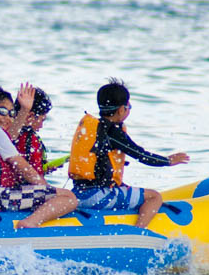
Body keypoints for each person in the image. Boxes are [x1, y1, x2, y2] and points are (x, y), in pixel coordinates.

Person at [69, 78, 189, 228]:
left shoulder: (93, 129)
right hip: (98, 196)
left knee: (129, 190)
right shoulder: (112, 132)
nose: (128, 110)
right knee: (154, 196)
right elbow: (141, 155)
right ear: (121, 110)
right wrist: (167, 161)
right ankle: (138, 232)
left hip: (78, 194)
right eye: (128, 106)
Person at [0, 85, 78, 229]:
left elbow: (10, 139)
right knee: (69, 198)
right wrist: (48, 191)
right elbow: (25, 169)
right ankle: (29, 223)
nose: (7, 117)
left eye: (11, 113)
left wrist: (24, 110)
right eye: (1, 112)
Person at [13, 87, 54, 177]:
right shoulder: (28, 139)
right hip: (20, 189)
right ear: (30, 116)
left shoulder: (5, 131)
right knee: (66, 192)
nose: (41, 126)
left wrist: (45, 168)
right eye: (42, 120)